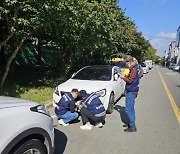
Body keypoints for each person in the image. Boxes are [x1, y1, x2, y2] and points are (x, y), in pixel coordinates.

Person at [120, 55, 140, 132]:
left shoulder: (134, 69)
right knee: (130, 108)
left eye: (125, 63)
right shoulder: (134, 68)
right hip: (132, 90)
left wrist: (123, 77)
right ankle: (131, 122)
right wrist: (125, 75)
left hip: (131, 91)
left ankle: (132, 126)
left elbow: (130, 81)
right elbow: (131, 78)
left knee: (129, 109)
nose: (125, 65)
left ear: (128, 62)